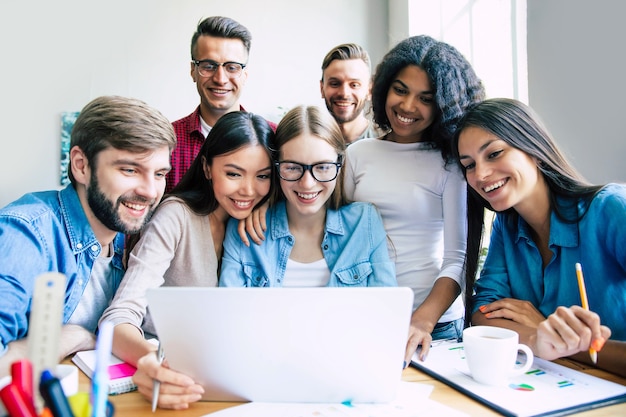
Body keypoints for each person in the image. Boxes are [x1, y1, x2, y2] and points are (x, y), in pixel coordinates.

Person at [102, 111, 275, 409]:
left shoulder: (260, 221)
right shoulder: (176, 216)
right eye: (233, 174)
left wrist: (271, 202)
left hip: (234, 383)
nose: (248, 190)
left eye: (262, 176)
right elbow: (117, 318)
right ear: (207, 168)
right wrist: (154, 362)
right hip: (170, 377)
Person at [0, 95, 176, 377]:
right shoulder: (26, 233)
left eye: (159, 174)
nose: (150, 191)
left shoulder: (130, 238)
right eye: (130, 170)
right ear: (81, 165)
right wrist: (71, 338)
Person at [452, 97, 626, 377]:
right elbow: (483, 313)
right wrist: (536, 339)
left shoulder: (612, 208)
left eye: (494, 153)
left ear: (533, 148)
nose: (481, 174)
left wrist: (550, 334)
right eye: (469, 165)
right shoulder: (506, 226)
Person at [343, 35, 485, 366]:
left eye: (426, 98)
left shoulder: (451, 163)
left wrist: (422, 320)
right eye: (401, 90)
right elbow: (339, 237)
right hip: (368, 319)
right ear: (383, 89)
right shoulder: (358, 154)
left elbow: (457, 257)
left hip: (434, 326)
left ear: (444, 104)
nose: (408, 107)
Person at [220, 105, 396, 288]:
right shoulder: (245, 231)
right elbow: (230, 311)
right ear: (276, 166)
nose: (307, 183)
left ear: (339, 164)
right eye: (293, 167)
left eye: (322, 167)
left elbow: (385, 307)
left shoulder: (364, 222)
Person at [166, 16, 277, 193]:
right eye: (208, 66)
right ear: (193, 71)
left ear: (244, 75)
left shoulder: (275, 138)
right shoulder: (167, 142)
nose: (220, 79)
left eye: (232, 67)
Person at [320, 43, 384, 144]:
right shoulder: (311, 142)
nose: (344, 93)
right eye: (335, 84)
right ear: (322, 88)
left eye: (354, 85)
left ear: (370, 90)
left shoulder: (387, 142)